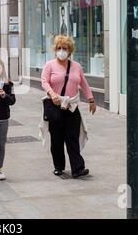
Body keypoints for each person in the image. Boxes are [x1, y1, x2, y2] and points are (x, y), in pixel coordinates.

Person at [41, 35, 97, 179]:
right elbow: (44, 81)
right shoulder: (50, 65)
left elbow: (83, 83)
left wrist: (91, 100)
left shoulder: (76, 66)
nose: (61, 51)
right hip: (56, 106)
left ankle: (77, 168)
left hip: (72, 107)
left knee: (72, 138)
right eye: (59, 48)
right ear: (55, 50)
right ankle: (58, 167)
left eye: (64, 48)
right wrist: (52, 94)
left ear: (70, 50)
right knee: (57, 139)